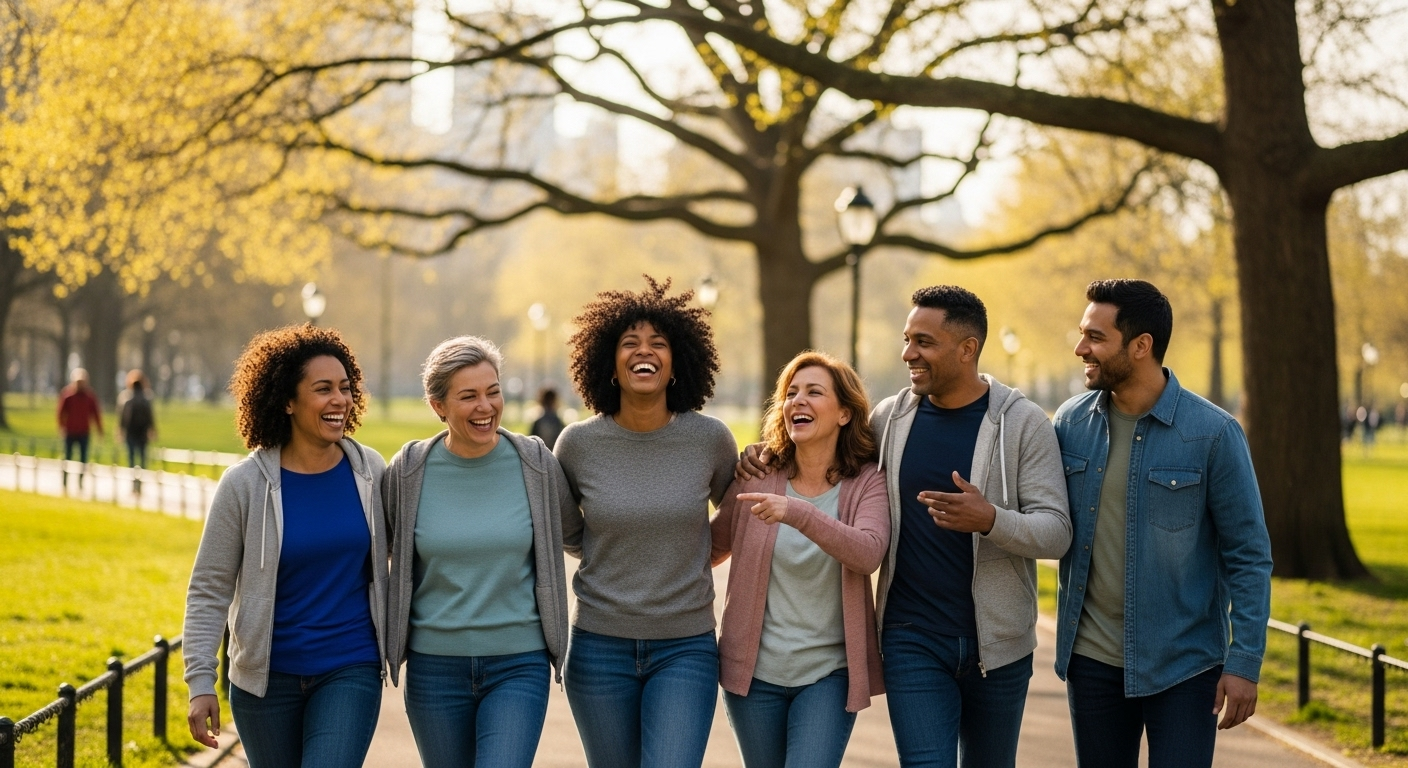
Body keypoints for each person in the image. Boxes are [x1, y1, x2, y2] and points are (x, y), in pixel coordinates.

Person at [739, 285, 1071, 768]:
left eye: (923, 342)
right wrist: (767, 453)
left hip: (997, 645)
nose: (907, 354)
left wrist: (992, 520)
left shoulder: (1023, 425)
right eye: (906, 339)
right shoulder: (890, 419)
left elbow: (1057, 531)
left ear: (967, 348)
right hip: (910, 635)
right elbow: (829, 450)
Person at [1054, 279, 1273, 768]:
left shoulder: (1213, 434)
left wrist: (1244, 662)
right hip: (1092, 664)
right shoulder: (1070, 424)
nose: (1080, 348)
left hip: (1185, 666)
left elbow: (1250, 555)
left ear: (1140, 346)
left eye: (1095, 336)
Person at [554, 276, 738, 768]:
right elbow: (571, 532)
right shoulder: (576, 444)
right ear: (609, 363)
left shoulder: (711, 439)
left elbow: (737, 511)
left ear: (677, 362)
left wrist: (698, 551)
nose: (645, 351)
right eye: (630, 342)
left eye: (659, 343)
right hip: (598, 648)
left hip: (685, 648)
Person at [184, 325, 389, 768]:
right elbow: (209, 587)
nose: (340, 400)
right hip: (264, 683)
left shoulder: (370, 472)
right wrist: (201, 682)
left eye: (345, 388)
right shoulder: (244, 485)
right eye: (323, 389)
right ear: (288, 401)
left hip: (349, 666)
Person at [382, 336, 571, 768]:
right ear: (438, 406)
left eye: (493, 391)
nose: (486, 407)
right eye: (468, 396)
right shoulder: (407, 471)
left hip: (519, 664)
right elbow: (374, 553)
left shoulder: (535, 464)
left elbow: (579, 534)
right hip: (434, 670)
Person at [712, 351, 889, 768]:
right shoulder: (759, 472)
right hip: (752, 676)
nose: (798, 401)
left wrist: (797, 512)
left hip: (828, 675)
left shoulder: (867, 482)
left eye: (814, 392)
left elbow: (867, 553)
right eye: (791, 393)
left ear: (845, 414)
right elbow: (711, 547)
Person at [57, 367, 103, 487]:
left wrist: (99, 430)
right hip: (70, 430)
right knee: (67, 456)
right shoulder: (68, 395)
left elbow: (95, 414)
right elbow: (60, 413)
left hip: (84, 431)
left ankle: (80, 481)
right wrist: (61, 427)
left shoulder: (89, 397)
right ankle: (65, 480)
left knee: (83, 458)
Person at [119, 370, 157, 472]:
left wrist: (120, 430)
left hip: (130, 431)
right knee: (142, 456)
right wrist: (153, 429)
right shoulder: (146, 397)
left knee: (131, 457)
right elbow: (150, 416)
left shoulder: (126, 398)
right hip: (142, 431)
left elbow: (122, 416)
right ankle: (141, 478)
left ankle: (133, 479)